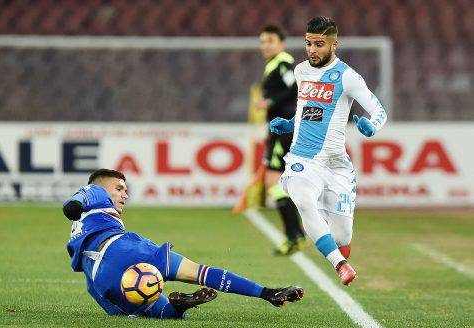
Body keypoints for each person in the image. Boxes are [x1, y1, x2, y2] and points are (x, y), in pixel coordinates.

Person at [63, 169, 304, 319]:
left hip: (100, 281)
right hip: (122, 250)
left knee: (160, 311)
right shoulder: (94, 192)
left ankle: (179, 306)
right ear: (101, 188)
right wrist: (73, 205)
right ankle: (267, 293)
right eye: (119, 188)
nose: (125, 194)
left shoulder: (83, 227)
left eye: (126, 189)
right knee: (201, 273)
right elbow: (81, 197)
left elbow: (92, 284)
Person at [269, 17, 387, 286]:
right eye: (309, 43)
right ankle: (340, 265)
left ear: (335, 45)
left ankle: (334, 245)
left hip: (336, 163)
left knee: (342, 237)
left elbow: (379, 110)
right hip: (302, 157)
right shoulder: (301, 71)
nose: (312, 49)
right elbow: (307, 110)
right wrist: (290, 123)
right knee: (303, 199)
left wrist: (372, 127)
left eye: (319, 44)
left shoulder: (347, 76)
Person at [256, 24, 306, 255]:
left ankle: (293, 234)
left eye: (270, 41)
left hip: (283, 130)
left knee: (274, 182)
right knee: (276, 182)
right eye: (263, 41)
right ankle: (295, 233)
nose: (265, 45)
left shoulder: (283, 62)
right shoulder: (274, 64)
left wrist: (271, 102)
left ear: (281, 43)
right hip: (280, 130)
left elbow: (293, 86)